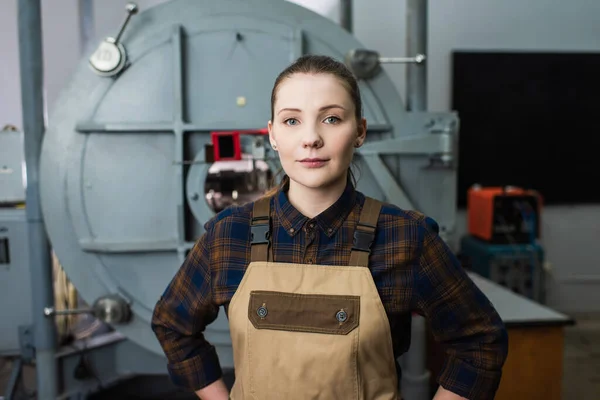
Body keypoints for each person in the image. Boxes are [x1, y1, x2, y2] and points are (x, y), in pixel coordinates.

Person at [151, 54, 509, 400]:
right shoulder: (229, 236)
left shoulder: (405, 238)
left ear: (360, 131)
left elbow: (480, 341)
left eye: (332, 119)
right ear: (273, 135)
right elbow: (173, 325)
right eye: (292, 121)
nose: (311, 138)